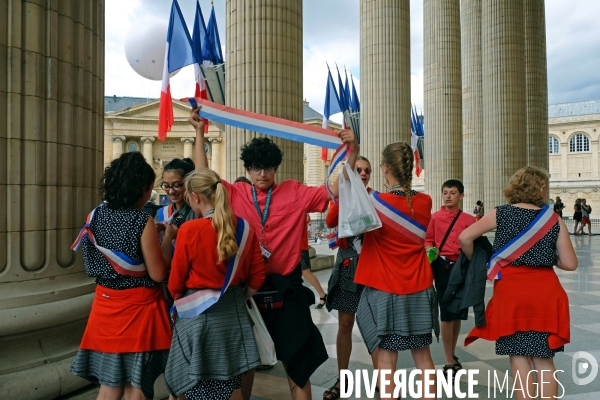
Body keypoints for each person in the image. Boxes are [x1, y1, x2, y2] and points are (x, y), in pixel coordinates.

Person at [189, 106, 351, 400]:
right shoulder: (235, 193)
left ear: (276, 168)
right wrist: (200, 132)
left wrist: (351, 150)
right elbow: (202, 177)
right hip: (247, 292)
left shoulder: (295, 191)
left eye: (267, 168)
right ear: (248, 169)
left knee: (297, 367)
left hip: (287, 291)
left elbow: (335, 189)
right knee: (245, 365)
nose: (262, 174)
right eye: (255, 168)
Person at [459, 167, 577, 400]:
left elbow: (464, 237)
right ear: (540, 189)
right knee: (544, 360)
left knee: (519, 358)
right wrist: (545, 258)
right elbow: (570, 263)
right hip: (545, 292)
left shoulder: (500, 213)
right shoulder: (553, 219)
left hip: (512, 293)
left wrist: (478, 262)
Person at [70, 152, 173, 400]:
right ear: (141, 188)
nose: (150, 194)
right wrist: (168, 238)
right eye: (150, 188)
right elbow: (158, 273)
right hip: (139, 311)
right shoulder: (141, 219)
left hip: (105, 306)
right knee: (135, 387)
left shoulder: (95, 216)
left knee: (109, 385)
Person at [163, 169, 265, 400]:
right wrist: (239, 298)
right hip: (234, 314)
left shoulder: (189, 229)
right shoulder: (245, 228)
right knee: (231, 383)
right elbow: (258, 276)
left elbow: (175, 282)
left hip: (196, 316)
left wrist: (179, 303)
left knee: (187, 383)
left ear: (195, 196)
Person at [353, 142, 439, 398]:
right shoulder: (425, 202)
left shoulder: (374, 201)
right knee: (424, 359)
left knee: (387, 361)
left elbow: (343, 221)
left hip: (386, 289)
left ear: (386, 168)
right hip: (420, 287)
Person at [322, 156, 379, 400]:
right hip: (348, 264)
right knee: (345, 323)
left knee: (376, 326)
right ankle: (341, 378)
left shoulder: (376, 197)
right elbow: (329, 220)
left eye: (367, 170)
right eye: (358, 170)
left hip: (372, 265)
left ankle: (382, 378)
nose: (364, 173)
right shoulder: (344, 196)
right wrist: (345, 194)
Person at [425, 180, 475, 376]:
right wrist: (430, 249)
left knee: (457, 312)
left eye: (452, 193)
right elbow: (428, 239)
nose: (448, 196)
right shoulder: (434, 218)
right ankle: (447, 359)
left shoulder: (469, 220)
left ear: (461, 196)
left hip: (461, 267)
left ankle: (452, 353)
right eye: (445, 192)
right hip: (443, 267)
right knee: (446, 312)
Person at [156, 158, 197, 228]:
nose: (171, 191)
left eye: (177, 185)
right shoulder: (162, 213)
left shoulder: (197, 213)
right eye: (166, 186)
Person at [300, 214, 328, 309]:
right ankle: (321, 294)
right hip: (297, 247)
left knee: (305, 272)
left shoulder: (300, 210)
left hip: (298, 247)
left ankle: (322, 294)